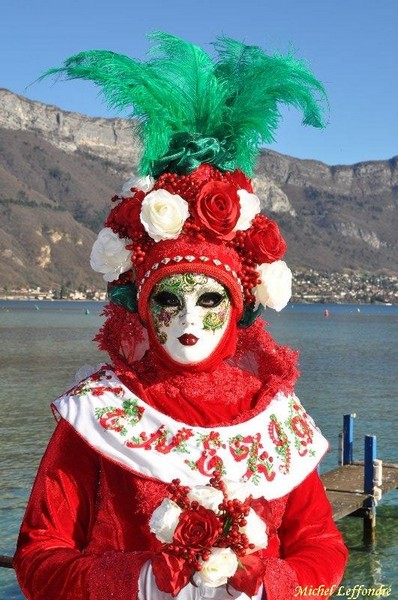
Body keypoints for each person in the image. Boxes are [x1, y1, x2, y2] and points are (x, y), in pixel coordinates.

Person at [14, 33, 348, 599]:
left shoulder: (274, 417)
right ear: (142, 308)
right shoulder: (99, 413)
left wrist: (270, 582)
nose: (186, 316)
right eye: (167, 299)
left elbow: (321, 547)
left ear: (240, 306)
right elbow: (40, 558)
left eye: (209, 299)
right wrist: (140, 578)